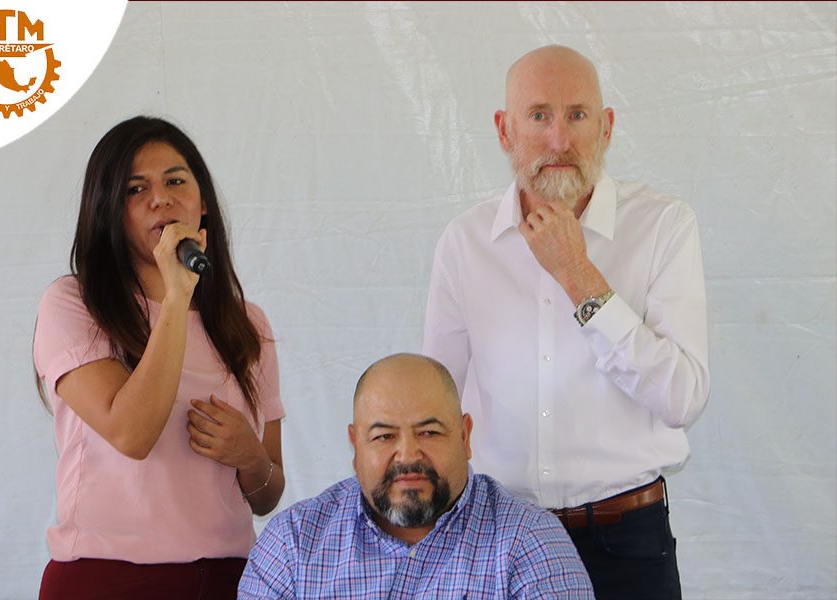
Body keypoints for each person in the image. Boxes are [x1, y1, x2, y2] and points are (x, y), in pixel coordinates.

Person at [422, 45, 710, 599]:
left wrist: (578, 275)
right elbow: (436, 405)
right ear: (504, 130)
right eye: (539, 116)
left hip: (628, 543)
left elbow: (682, 399)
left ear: (606, 127)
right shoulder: (465, 242)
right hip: (498, 541)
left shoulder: (664, 227)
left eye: (577, 115)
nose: (559, 140)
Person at [33, 116, 285, 599]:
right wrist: (176, 297)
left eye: (175, 181)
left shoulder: (248, 324)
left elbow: (267, 495)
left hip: (229, 580)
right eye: (135, 189)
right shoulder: (74, 304)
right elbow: (133, 433)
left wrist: (249, 455)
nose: (161, 199)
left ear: (202, 202)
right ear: (108, 209)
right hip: (108, 579)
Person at [238, 353, 594, 599]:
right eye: (384, 436)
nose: (408, 455)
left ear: (465, 436)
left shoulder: (530, 542)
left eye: (429, 432)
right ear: (355, 446)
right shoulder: (293, 543)